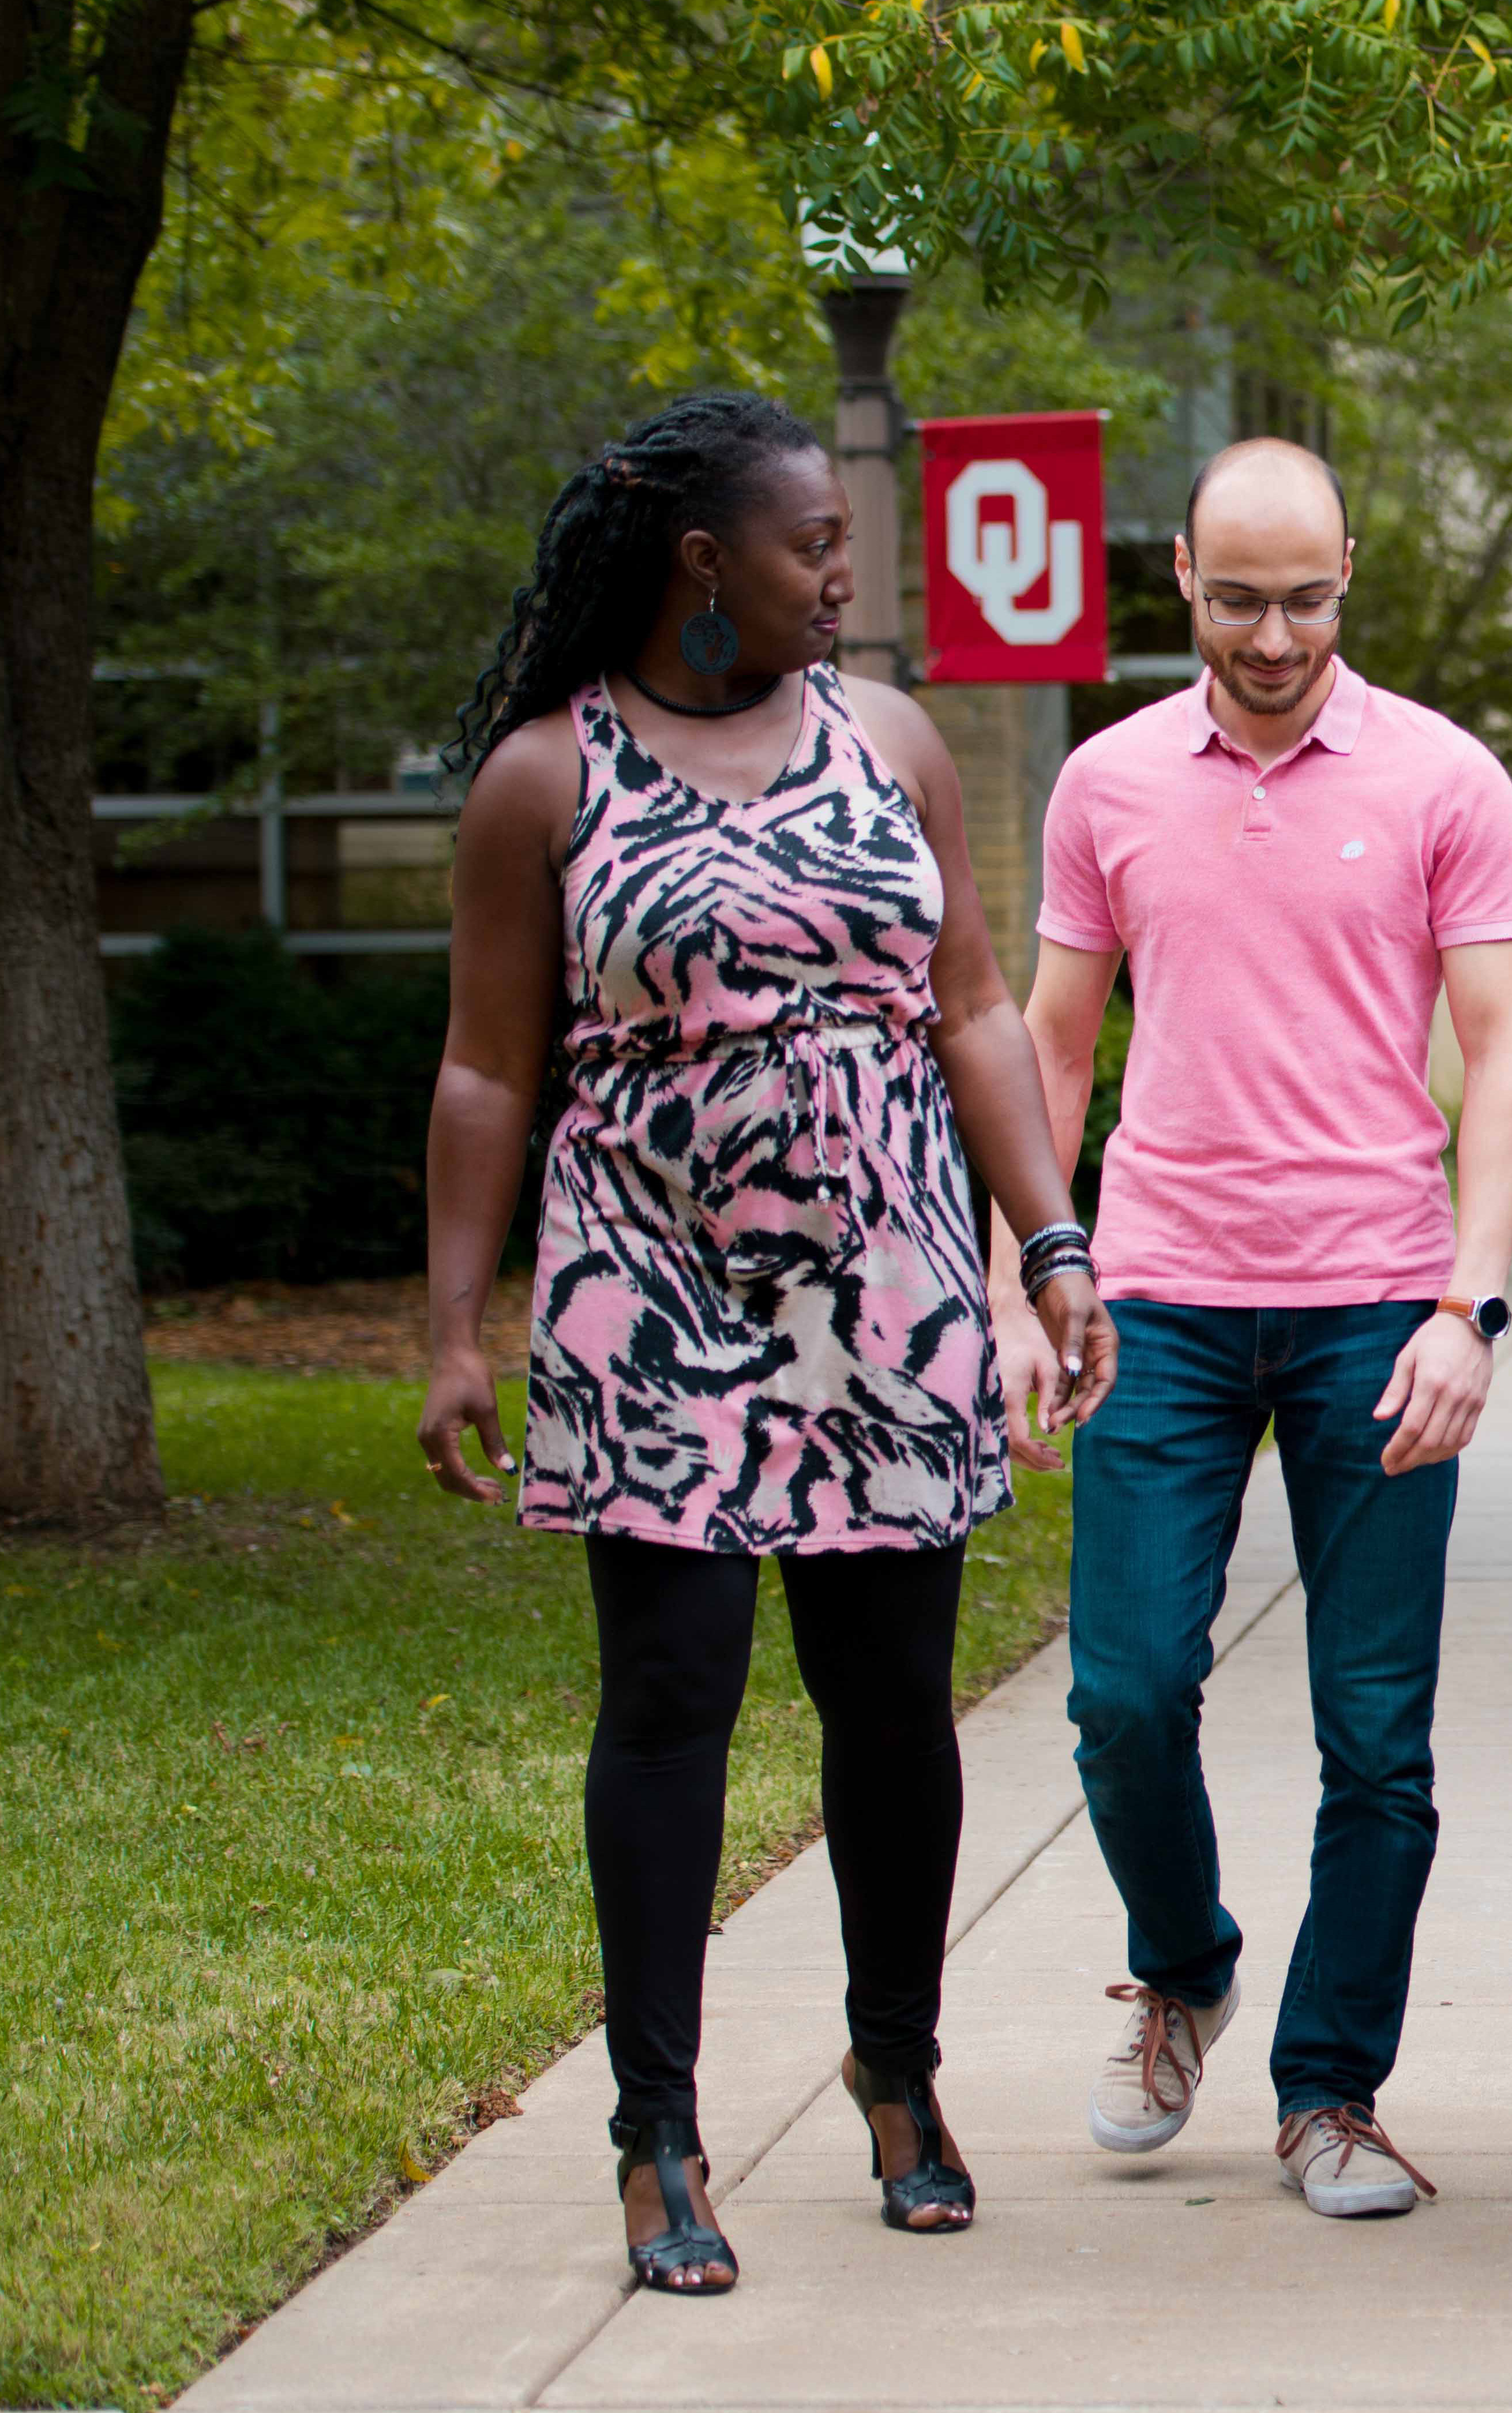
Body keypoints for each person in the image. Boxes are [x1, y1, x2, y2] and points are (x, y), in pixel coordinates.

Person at [416, 392, 1118, 2298]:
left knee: (892, 1704)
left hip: (885, 1289)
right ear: (701, 560)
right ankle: (656, 2130)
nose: (846, 576)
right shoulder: (545, 779)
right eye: (816, 544)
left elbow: (974, 1004)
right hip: (649, 1290)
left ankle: (898, 2073)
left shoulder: (888, 740)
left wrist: (1047, 1240)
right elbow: (489, 1065)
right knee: (670, 1703)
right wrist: (458, 1329)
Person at [1000, 437, 1512, 2219]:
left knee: (1374, 1736)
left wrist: (1471, 1302)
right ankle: (1186, 1962)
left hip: (1377, 1304)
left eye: (1304, 597)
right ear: (1181, 580)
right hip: (1156, 1292)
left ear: (1349, 577)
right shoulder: (1106, 785)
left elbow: (1505, 1047)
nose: (1271, 633)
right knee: (1126, 1693)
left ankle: (1331, 2091)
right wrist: (1030, 1270)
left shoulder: (1445, 778)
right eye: (1236, 599)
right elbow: (1050, 1044)